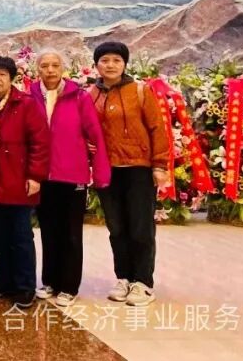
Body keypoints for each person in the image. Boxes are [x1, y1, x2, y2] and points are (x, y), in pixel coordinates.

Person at [88, 41, 170, 308]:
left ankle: (143, 282)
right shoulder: (91, 95)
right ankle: (123, 277)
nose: (110, 65)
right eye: (105, 60)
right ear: (96, 65)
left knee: (140, 227)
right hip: (107, 169)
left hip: (138, 168)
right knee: (117, 228)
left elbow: (157, 128)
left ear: (124, 64)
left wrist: (159, 165)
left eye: (116, 60)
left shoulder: (140, 91)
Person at [28, 47, 111, 308]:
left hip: (72, 175)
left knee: (71, 233)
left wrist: (100, 172)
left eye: (55, 65)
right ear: (37, 70)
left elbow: (94, 134)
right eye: (44, 66)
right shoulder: (31, 96)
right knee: (48, 230)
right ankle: (50, 281)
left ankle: (69, 286)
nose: (50, 70)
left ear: (62, 68)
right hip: (43, 176)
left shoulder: (79, 97)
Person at [0, 56, 50, 309]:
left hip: (18, 178)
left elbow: (40, 142)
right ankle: (3, 281)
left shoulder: (26, 104)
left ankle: (24, 286)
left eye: (2, 74)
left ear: (11, 78)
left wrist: (35, 176)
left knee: (20, 235)